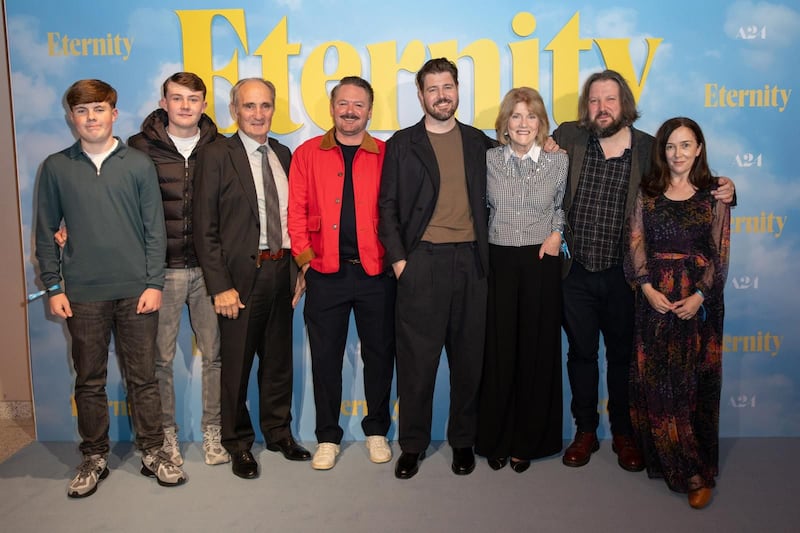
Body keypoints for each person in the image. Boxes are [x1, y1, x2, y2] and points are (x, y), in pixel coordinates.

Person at [551, 70, 735, 472]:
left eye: (610, 100)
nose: (602, 108)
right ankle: (584, 431)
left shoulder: (651, 148)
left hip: (627, 275)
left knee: (622, 357)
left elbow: (692, 181)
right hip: (576, 271)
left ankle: (623, 433)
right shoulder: (567, 136)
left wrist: (729, 189)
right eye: (595, 101)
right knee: (581, 354)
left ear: (625, 105)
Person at [35, 79, 186, 497]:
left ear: (113, 114)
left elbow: (155, 230)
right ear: (72, 118)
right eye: (82, 112)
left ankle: (154, 451)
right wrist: (53, 285)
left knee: (144, 378)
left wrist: (155, 282)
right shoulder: (55, 167)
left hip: (137, 291)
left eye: (98, 110)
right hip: (82, 294)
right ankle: (94, 456)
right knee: (89, 379)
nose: (91, 118)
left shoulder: (138, 163)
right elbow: (46, 231)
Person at [378, 57, 496, 479]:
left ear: (458, 89)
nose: (442, 95)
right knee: (416, 363)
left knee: (469, 361)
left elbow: (522, 162)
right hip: (421, 263)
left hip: (471, 264)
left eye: (448, 87)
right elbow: (387, 207)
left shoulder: (479, 142)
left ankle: (463, 441)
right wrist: (400, 263)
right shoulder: (401, 144)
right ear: (421, 95)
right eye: (433, 89)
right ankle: (412, 445)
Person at [193, 78, 310, 480]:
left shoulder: (283, 153)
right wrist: (220, 285)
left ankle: (279, 433)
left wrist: (298, 269)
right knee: (237, 366)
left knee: (278, 362)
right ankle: (238, 443)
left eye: (265, 106)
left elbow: (294, 217)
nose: (258, 114)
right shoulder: (215, 155)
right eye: (249, 106)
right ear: (234, 110)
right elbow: (204, 229)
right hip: (240, 279)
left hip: (281, 270)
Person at [288, 76, 395, 470]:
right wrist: (306, 260)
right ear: (332, 108)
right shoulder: (307, 153)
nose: (350, 111)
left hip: (376, 274)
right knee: (326, 359)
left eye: (359, 105)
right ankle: (327, 437)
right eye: (343, 104)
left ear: (369, 110)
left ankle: (377, 430)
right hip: (325, 274)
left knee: (381, 356)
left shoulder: (386, 154)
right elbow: (295, 214)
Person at [624, 117, 730, 509]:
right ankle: (668, 460)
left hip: (697, 304)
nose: (678, 153)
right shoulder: (648, 193)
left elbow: (720, 252)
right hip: (654, 299)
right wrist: (647, 288)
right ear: (662, 151)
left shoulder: (714, 196)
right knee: (657, 384)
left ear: (699, 149)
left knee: (688, 386)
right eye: (671, 146)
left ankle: (696, 470)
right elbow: (635, 241)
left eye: (686, 145)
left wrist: (700, 296)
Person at [127, 72, 228, 467]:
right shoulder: (138, 148)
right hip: (160, 273)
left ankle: (213, 434)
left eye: (194, 98)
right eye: (177, 98)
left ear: (204, 104)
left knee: (216, 356)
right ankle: (165, 438)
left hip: (209, 270)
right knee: (160, 360)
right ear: (163, 102)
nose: (185, 105)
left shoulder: (219, 148)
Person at [475, 87, 567, 473]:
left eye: (531, 116)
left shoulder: (559, 161)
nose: (524, 123)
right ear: (505, 125)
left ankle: (529, 441)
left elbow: (563, 205)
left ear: (541, 123)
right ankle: (497, 438)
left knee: (536, 351)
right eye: (516, 116)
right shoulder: (487, 160)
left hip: (541, 260)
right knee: (499, 353)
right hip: (499, 260)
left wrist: (558, 232)